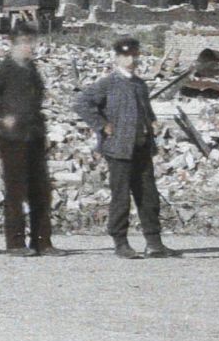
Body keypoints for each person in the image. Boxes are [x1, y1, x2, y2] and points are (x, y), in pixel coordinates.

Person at [74, 36, 179, 259]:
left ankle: (154, 243)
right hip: (119, 150)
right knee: (121, 197)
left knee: (149, 196)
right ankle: (120, 243)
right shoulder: (108, 83)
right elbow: (82, 103)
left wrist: (152, 122)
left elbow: (146, 109)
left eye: (133, 55)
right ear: (117, 58)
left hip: (141, 148)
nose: (130, 60)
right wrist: (102, 125)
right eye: (125, 56)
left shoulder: (140, 84)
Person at [0, 25, 57, 256]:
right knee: (16, 190)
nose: (30, 46)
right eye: (24, 42)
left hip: (34, 134)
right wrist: (1, 115)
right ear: (14, 44)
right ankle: (16, 243)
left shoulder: (31, 69)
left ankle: (42, 242)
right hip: (13, 137)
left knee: (40, 190)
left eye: (32, 41)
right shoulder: (6, 69)